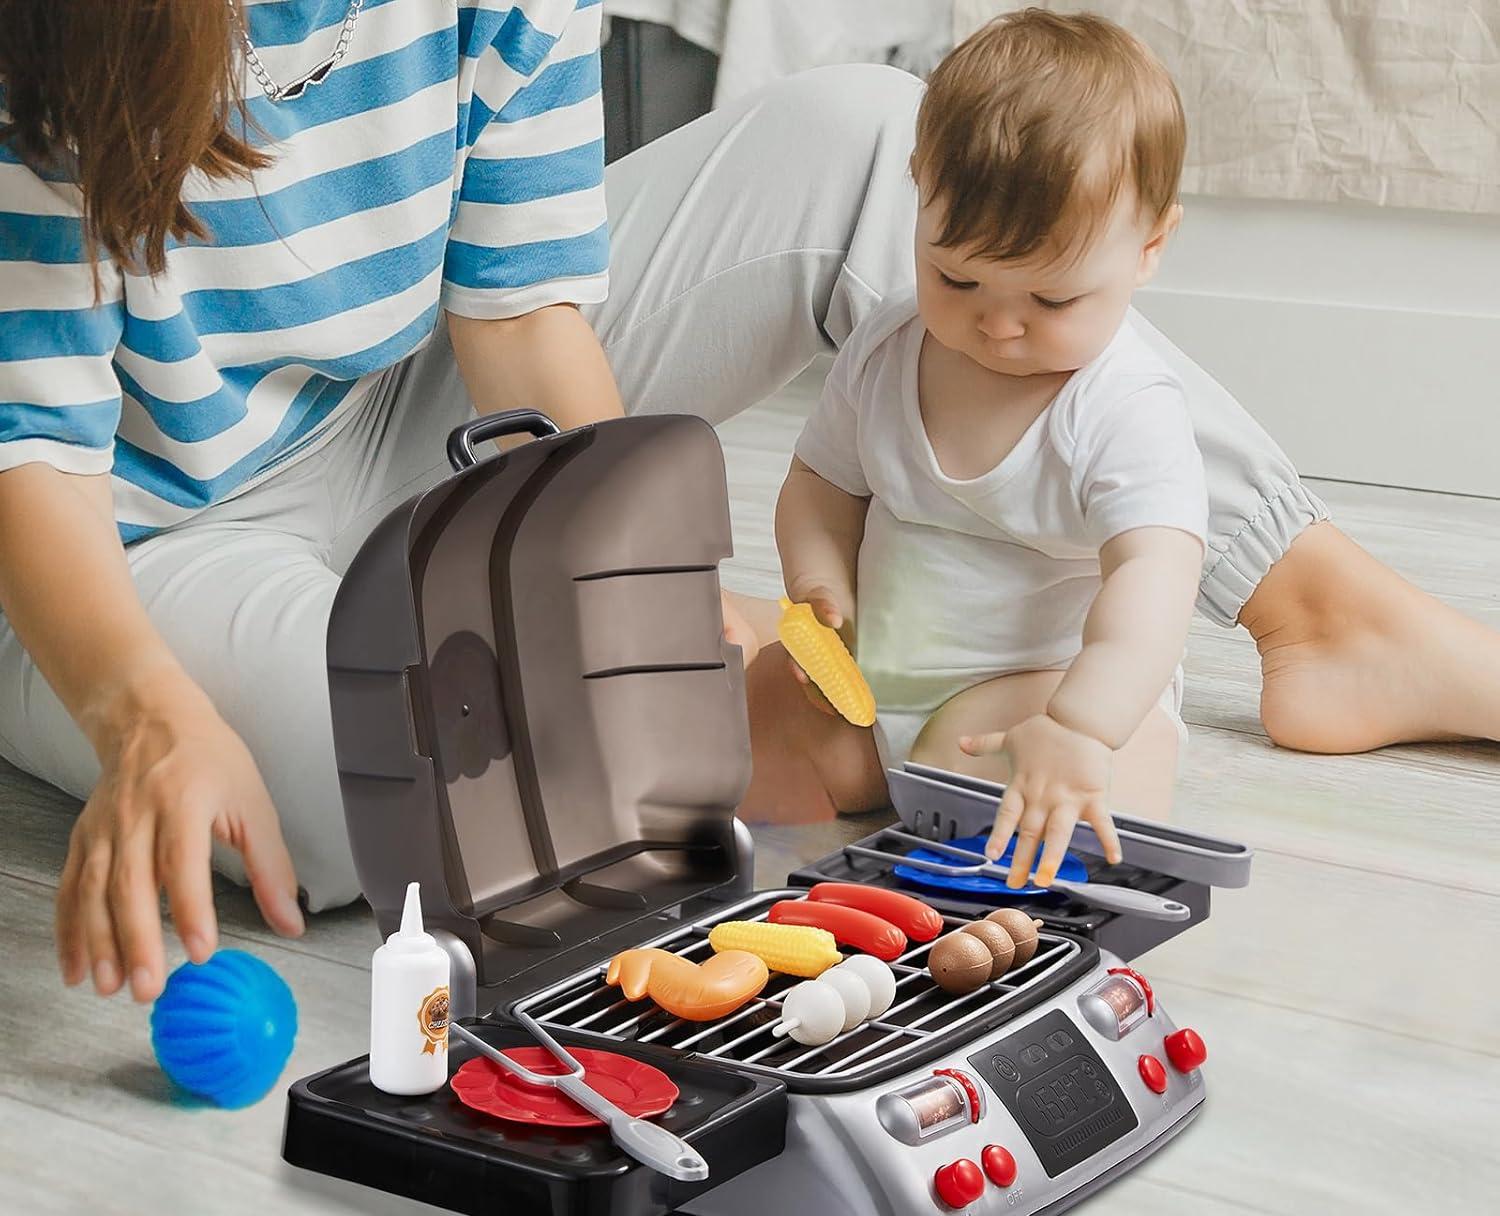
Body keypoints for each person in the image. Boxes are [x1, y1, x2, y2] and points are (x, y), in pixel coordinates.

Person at [0, 2, 1494, 1007]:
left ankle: (1327, 612)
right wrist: (146, 713)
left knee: (870, 133)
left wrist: (633, 580)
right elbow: (33, 449)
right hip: (123, 530)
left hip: (396, 394)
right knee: (411, 797)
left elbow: (519, 311)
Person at [769, 12, 1206, 884]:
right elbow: (820, 482)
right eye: (957, 278)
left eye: (1051, 300)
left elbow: (1155, 579)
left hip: (1038, 696)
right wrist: (818, 579)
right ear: (918, 197)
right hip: (876, 680)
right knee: (729, 727)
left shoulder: (1123, 405)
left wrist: (1082, 724)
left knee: (1024, 798)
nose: (999, 324)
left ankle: (1069, 782)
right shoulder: (887, 347)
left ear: (1150, 248)